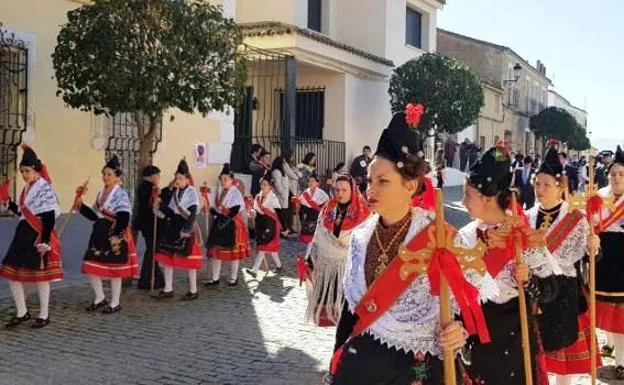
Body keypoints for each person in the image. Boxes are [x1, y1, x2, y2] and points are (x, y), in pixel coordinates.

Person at [330, 109, 494, 385]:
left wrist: (460, 330)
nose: (371, 191)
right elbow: (352, 313)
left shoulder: (438, 237)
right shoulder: (360, 236)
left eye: (383, 181)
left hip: (416, 369)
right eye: (370, 181)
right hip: (363, 365)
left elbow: (470, 301)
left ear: (410, 186)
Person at [459, 142, 562, 385]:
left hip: (515, 340)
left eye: (467, 195)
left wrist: (528, 279)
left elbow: (550, 290)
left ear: (487, 198)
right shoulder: (462, 237)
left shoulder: (522, 236)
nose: (463, 202)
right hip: (474, 338)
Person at [528, 145, 602, 385]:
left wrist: (593, 247)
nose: (540, 189)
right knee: (535, 355)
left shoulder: (575, 219)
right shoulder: (526, 217)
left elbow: (590, 258)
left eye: (546, 184)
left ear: (561, 186)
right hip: (533, 292)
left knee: (564, 360)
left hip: (564, 294)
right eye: (537, 184)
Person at [0, 146, 63, 329]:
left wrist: (44, 241)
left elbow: (49, 216)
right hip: (22, 234)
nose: (24, 175)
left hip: (38, 235)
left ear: (35, 170)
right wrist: (7, 202)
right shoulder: (27, 190)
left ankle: (44, 314)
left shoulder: (44, 189)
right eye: (22, 171)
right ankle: (22, 312)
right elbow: (23, 212)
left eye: (27, 171)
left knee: (40, 277)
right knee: (12, 275)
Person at [304, 174, 370, 328]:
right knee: (331, 311)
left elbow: (366, 242)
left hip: (348, 268)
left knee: (346, 313)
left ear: (352, 191)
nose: (340, 193)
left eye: (344, 190)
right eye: (337, 190)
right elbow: (318, 235)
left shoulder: (364, 213)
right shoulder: (328, 209)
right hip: (327, 266)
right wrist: (311, 260)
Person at [78, 155, 139, 314]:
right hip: (99, 233)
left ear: (117, 177)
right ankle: (100, 297)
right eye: (104, 174)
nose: (105, 177)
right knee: (90, 265)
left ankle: (115, 302)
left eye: (109, 174)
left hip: (114, 233)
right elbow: (94, 215)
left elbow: (124, 215)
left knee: (115, 268)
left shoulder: (121, 194)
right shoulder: (100, 193)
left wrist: (117, 234)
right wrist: (80, 206)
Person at [152, 159, 203, 301]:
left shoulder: (192, 192)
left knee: (189, 261)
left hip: (186, 228)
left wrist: (186, 229)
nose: (178, 180)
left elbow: (192, 213)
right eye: (177, 178)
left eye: (181, 178)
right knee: (168, 259)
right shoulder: (175, 193)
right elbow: (171, 212)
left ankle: (193, 290)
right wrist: (160, 205)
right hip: (173, 227)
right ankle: (168, 289)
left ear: (187, 179)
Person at [593, 145, 624, 379]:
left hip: (622, 257)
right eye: (613, 174)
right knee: (604, 307)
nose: (616, 178)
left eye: (621, 174)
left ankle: (622, 361)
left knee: (621, 313)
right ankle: (611, 344)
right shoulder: (598, 196)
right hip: (603, 256)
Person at [205, 163, 251, 286]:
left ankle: (234, 277)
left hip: (233, 225)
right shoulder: (221, 191)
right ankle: (215, 278)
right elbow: (218, 207)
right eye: (222, 179)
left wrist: (224, 217)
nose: (223, 181)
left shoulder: (235, 192)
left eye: (226, 179)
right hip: (220, 223)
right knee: (216, 250)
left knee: (233, 252)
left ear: (232, 180)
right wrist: (213, 211)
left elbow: (235, 209)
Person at [133, 165, 165, 290]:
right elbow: (151, 205)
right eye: (157, 175)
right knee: (152, 252)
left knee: (153, 251)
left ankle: (158, 278)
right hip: (151, 224)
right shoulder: (149, 188)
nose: (159, 178)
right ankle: (145, 280)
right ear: (152, 176)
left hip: (148, 224)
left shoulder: (147, 187)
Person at [245, 175, 283, 277]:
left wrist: (268, 209)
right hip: (260, 223)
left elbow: (277, 208)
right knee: (269, 247)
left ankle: (255, 270)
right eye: (262, 184)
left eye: (265, 184)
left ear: (270, 187)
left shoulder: (273, 197)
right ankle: (279, 265)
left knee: (263, 247)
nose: (263, 186)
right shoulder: (258, 197)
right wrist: (252, 211)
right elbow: (256, 210)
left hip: (269, 224)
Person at [297, 174, 330, 245]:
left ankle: (308, 255)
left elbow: (326, 204)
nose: (310, 183)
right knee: (309, 239)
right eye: (309, 181)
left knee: (315, 238)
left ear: (317, 183)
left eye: (312, 181)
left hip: (317, 217)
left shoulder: (322, 194)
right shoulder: (305, 193)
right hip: (307, 217)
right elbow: (301, 206)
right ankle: (309, 254)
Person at [270, 156, 295, 237]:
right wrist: (283, 194)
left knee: (284, 214)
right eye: (283, 162)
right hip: (280, 197)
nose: (285, 164)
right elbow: (278, 184)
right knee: (281, 215)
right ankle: (282, 231)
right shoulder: (276, 171)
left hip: (284, 196)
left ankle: (285, 229)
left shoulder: (282, 171)